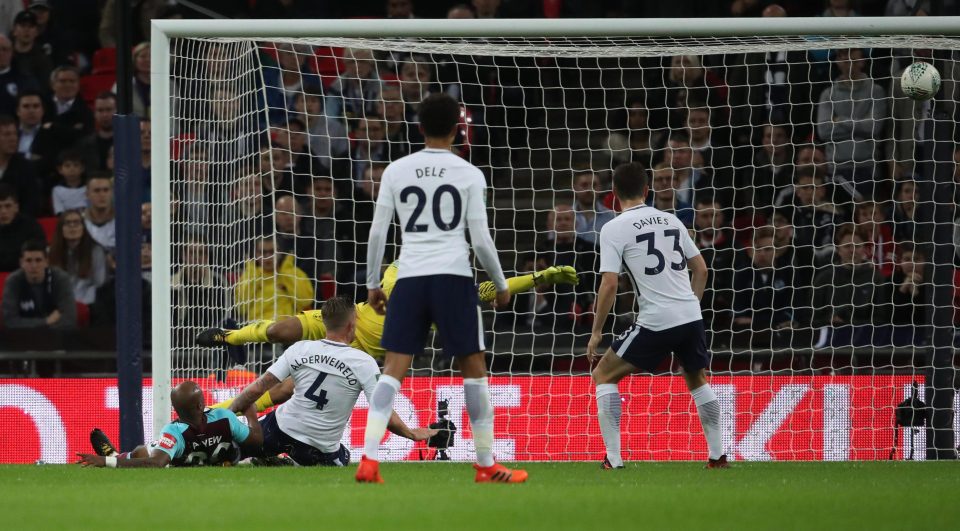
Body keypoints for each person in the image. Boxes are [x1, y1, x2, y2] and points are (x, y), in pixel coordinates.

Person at [358, 93, 525, 484]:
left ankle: (368, 460)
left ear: (419, 128)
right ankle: (485, 464)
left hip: (410, 278)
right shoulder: (469, 173)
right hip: (452, 278)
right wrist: (500, 285)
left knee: (392, 371)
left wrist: (371, 284)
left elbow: (378, 232)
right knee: (474, 373)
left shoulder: (396, 170)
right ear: (457, 129)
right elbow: (481, 240)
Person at [587, 162, 726, 469]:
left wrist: (597, 331)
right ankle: (718, 456)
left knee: (603, 375)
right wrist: (691, 308)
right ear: (647, 191)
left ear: (614, 195)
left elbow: (609, 283)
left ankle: (614, 459)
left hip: (656, 319)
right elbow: (701, 269)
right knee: (697, 380)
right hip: (690, 314)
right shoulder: (672, 220)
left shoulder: (613, 228)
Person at [227, 297, 436, 466]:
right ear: (351, 324)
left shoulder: (300, 348)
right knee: (342, 458)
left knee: (233, 448)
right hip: (319, 448)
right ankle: (287, 460)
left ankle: (252, 451)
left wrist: (230, 412)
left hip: (278, 429)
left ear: (325, 322)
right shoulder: (364, 362)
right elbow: (381, 412)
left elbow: (258, 388)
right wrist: (411, 433)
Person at [77, 381, 263, 468]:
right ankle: (117, 456)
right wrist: (251, 414)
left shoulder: (174, 432)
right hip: (222, 460)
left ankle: (117, 456)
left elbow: (156, 463)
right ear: (200, 405)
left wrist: (106, 462)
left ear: (175, 409)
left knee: (144, 450)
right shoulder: (224, 417)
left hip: (182, 463)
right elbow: (256, 441)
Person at [234, 236, 314, 322]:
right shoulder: (249, 275)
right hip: (257, 328)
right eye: (263, 252)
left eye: (272, 252)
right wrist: (252, 274)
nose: (268, 256)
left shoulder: (294, 273)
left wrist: (286, 272)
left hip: (288, 326)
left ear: (280, 253)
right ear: (256, 254)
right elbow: (241, 308)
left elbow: (305, 302)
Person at [1, 239, 76, 329]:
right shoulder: (13, 281)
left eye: (38, 260)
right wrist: (46, 321)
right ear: (21, 263)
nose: (34, 266)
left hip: (56, 337)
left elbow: (69, 319)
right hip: (23, 337)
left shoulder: (61, 279)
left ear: (46, 262)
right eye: (28, 260)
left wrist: (44, 334)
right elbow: (10, 321)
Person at [47, 209, 107, 304]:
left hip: (88, 302)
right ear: (60, 228)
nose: (72, 227)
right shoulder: (51, 252)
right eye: (67, 223)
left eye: (76, 222)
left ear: (83, 227)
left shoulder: (95, 251)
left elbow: (100, 283)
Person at [0, 183, 44, 271]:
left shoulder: (31, 226)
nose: (3, 211)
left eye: (8, 206)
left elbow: (38, 253)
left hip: (24, 275)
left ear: (16, 207)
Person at [83, 175, 115, 251]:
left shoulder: (124, 221)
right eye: (97, 191)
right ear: (87, 195)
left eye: (106, 190)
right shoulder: (80, 221)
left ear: (112, 193)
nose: (102, 195)